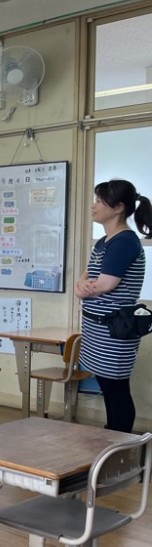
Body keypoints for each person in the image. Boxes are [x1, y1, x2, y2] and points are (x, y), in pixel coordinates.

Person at [75, 179, 152, 433]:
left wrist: (86, 287)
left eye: (99, 200)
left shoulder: (125, 241)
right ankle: (112, 436)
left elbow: (106, 284)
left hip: (114, 330)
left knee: (116, 388)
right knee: (108, 387)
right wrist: (81, 286)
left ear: (118, 207)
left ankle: (121, 444)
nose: (94, 205)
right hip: (98, 328)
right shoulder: (103, 242)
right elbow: (85, 278)